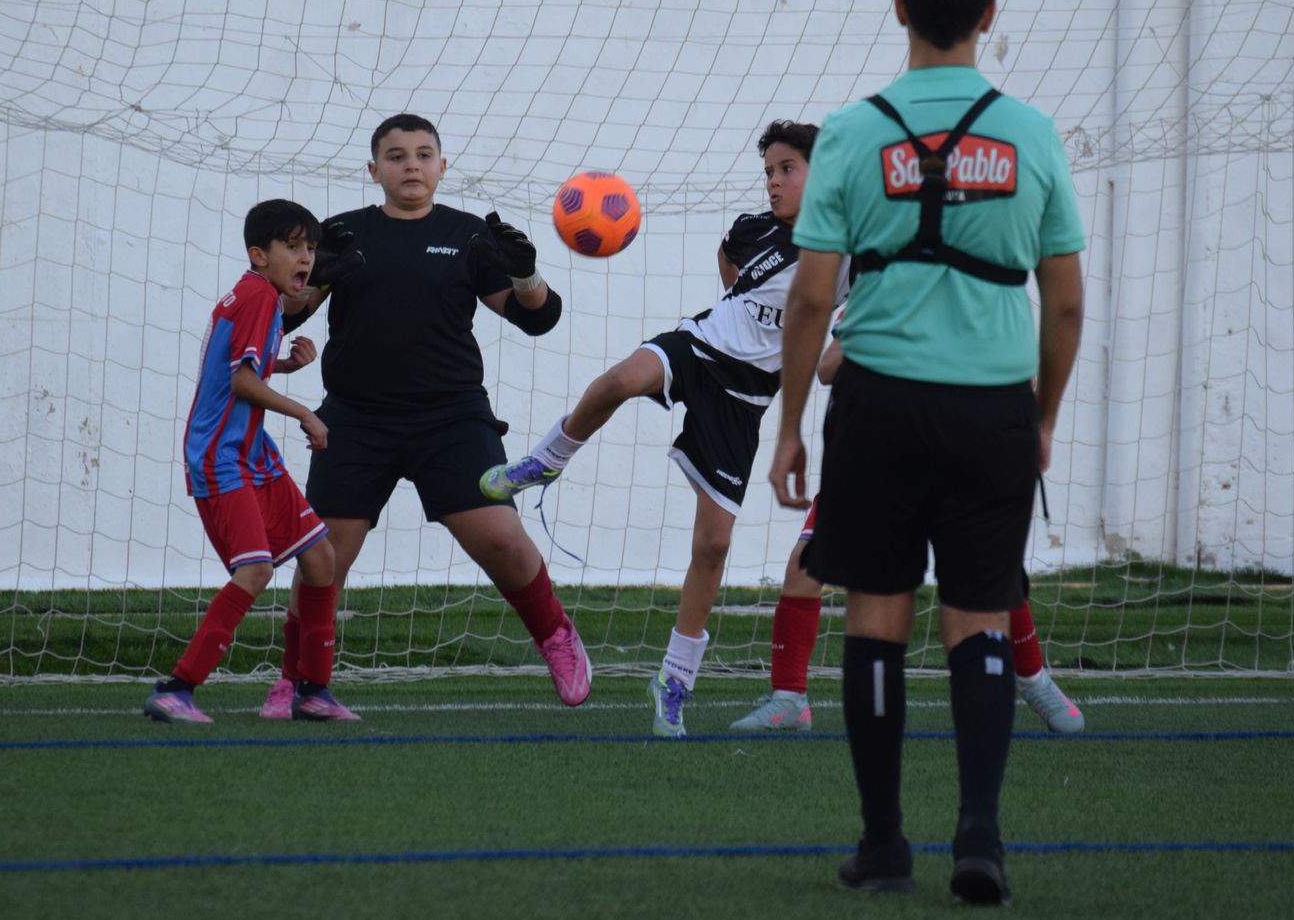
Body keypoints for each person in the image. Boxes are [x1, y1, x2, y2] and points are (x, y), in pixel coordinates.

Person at [770, 0, 1086, 905]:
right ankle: (980, 834)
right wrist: (1041, 416)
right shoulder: (1030, 132)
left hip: (878, 403)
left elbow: (812, 297)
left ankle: (882, 843)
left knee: (874, 612)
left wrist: (787, 425)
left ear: (899, 8)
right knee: (979, 613)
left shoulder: (854, 130)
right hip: (991, 406)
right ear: (988, 14)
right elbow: (1066, 300)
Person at [481, 119, 820, 738]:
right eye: (768, 170)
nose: (772, 181)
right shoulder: (753, 230)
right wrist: (738, 310)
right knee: (617, 382)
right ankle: (546, 461)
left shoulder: (847, 248)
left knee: (712, 545)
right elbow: (729, 256)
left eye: (786, 170)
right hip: (699, 346)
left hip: (744, 399)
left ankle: (673, 678)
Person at [282, 113, 592, 707]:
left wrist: (526, 272)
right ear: (374, 171)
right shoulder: (341, 234)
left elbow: (538, 317)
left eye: (424, 154)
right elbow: (289, 313)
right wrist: (312, 277)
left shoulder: (471, 234)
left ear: (442, 167)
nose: (411, 166)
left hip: (451, 420)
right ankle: (293, 677)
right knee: (322, 561)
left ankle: (555, 635)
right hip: (354, 419)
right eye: (396, 156)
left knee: (501, 537)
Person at [732, 333, 1085, 736]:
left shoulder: (972, 289)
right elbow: (828, 368)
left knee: (991, 571)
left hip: (955, 449)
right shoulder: (878, 289)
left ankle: (1034, 680)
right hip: (871, 454)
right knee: (804, 566)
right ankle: (789, 697)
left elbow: (1026, 374)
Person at [145, 199, 356, 725]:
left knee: (321, 559)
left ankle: (312, 690)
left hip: (252, 454)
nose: (305, 257)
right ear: (259, 255)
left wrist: (282, 364)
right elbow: (240, 382)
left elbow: (240, 370)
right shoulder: (259, 299)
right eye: (293, 246)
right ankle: (177, 688)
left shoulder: (258, 295)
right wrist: (306, 413)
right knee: (256, 569)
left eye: (310, 247)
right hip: (220, 456)